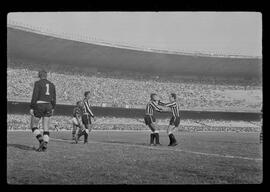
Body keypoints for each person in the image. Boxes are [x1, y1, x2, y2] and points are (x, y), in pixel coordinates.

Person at [30, 70, 56, 152]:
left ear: (39, 75)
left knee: (33, 125)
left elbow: (35, 96)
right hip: (49, 105)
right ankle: (44, 146)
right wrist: (53, 107)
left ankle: (41, 141)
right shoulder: (52, 85)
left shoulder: (38, 83)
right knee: (46, 128)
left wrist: (32, 107)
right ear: (46, 76)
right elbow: (54, 98)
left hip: (40, 105)